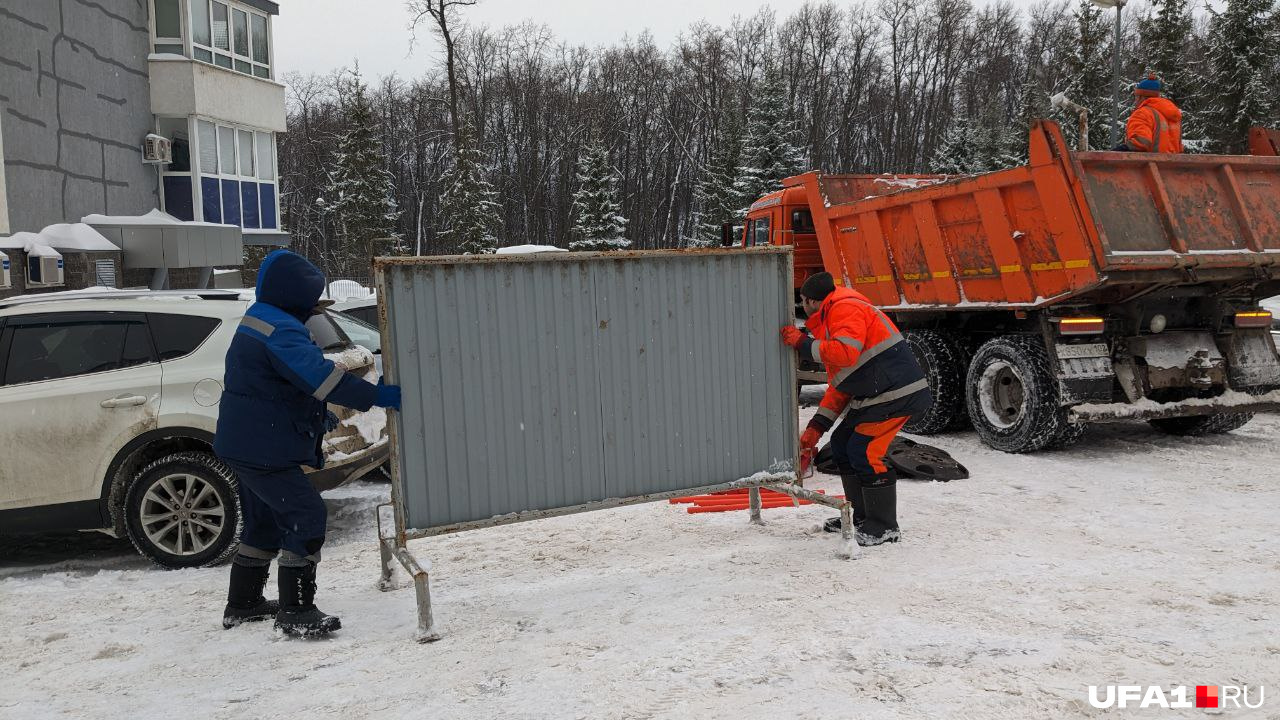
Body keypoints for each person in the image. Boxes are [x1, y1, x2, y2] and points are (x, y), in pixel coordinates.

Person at [215, 250, 402, 638]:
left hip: (246, 439)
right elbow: (320, 378)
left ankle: (244, 603)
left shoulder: (260, 317)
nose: (314, 311)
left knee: (265, 521)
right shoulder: (280, 328)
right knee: (306, 516)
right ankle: (296, 610)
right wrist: (378, 396)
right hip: (262, 446)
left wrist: (316, 416)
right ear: (295, 295)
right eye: (312, 302)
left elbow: (274, 387)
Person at [780, 272, 931, 546]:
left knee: (864, 451)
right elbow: (841, 386)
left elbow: (845, 354)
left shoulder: (844, 308)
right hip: (877, 394)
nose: (802, 307)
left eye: (803, 301)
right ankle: (861, 517)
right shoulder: (831, 319)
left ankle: (884, 527)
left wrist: (802, 344)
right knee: (841, 445)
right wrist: (816, 428)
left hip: (895, 395)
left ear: (814, 301)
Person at [1113, 73, 1182, 154]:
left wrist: (1117, 151)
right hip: (1172, 165)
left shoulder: (1143, 113)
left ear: (1142, 97)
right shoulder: (1172, 115)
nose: (1135, 101)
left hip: (1150, 164)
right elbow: (1179, 147)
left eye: (1136, 96)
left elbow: (1140, 142)